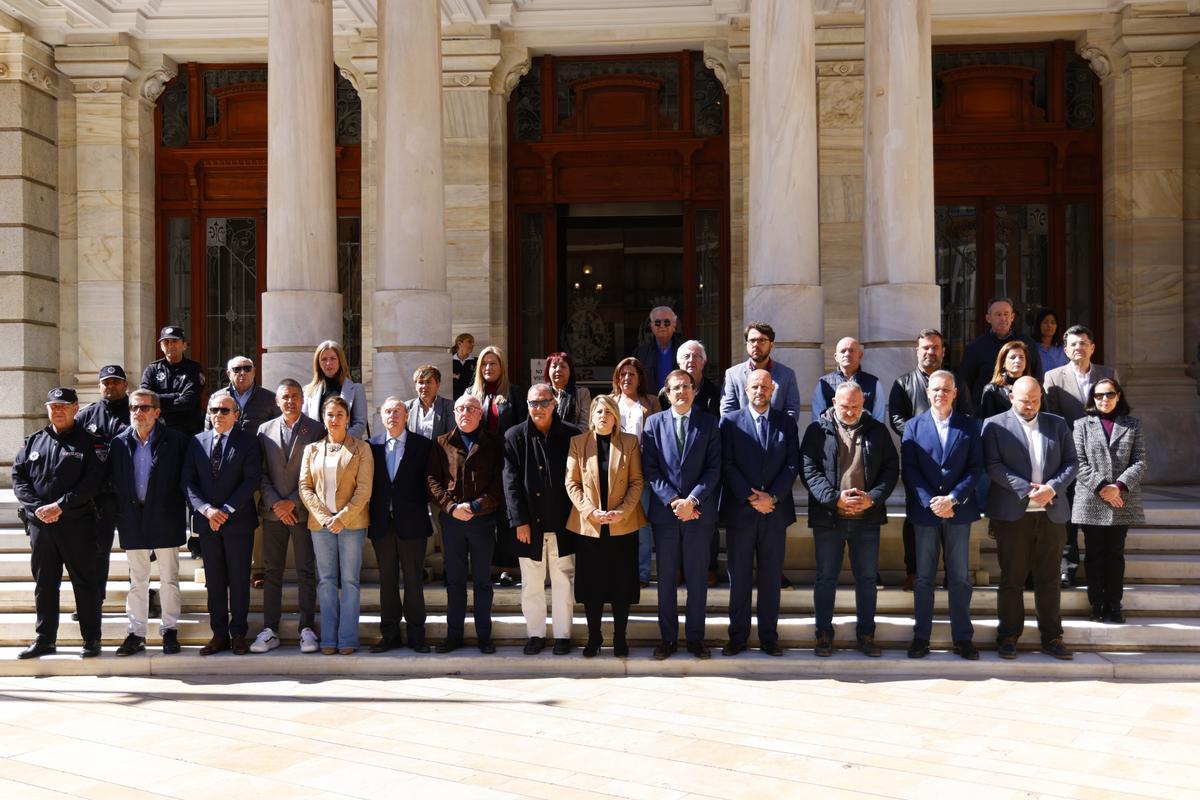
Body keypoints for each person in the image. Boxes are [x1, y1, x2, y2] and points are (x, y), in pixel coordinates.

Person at [801, 382, 899, 658]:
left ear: (863, 404)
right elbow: (809, 470)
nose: (850, 411)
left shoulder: (877, 431)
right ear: (833, 402)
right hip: (829, 516)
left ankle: (866, 633)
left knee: (867, 579)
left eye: (856, 406)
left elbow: (891, 470)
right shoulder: (816, 431)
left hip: (866, 518)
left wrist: (872, 498)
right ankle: (823, 633)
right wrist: (834, 499)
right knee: (825, 578)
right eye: (845, 406)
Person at [983, 376, 1078, 660]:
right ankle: (1009, 635)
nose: (1030, 405)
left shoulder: (1056, 423)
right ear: (1012, 397)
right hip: (1013, 514)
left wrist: (1052, 488)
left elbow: (1072, 462)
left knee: (1049, 579)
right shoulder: (995, 425)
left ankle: (1052, 637)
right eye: (1025, 400)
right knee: (1012, 578)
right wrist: (1026, 490)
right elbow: (992, 465)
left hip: (1052, 512)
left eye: (1036, 400)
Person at [12, 388, 105, 659]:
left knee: (85, 583)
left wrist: (61, 505)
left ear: (76, 408)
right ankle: (44, 639)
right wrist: (38, 508)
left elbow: (93, 481)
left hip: (76, 523)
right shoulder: (33, 442)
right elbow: (19, 479)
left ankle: (91, 640)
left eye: (64, 405)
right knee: (45, 583)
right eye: (53, 406)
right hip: (41, 526)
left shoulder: (90, 442)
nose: (58, 410)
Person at [900, 371, 986, 660]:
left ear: (955, 393)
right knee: (924, 578)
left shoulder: (969, 426)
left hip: (958, 511)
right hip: (926, 513)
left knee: (960, 577)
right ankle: (920, 637)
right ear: (928, 393)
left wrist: (953, 499)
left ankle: (963, 638)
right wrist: (931, 502)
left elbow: (976, 468)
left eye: (946, 389)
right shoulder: (913, 426)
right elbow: (909, 470)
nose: (940, 394)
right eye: (935, 389)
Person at [718, 369, 800, 657]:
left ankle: (768, 637)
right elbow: (726, 465)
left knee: (770, 578)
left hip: (775, 513)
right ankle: (737, 637)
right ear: (745, 390)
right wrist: (752, 497)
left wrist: (773, 497)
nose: (760, 390)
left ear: (773, 389)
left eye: (765, 386)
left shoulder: (786, 423)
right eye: (754, 386)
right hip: (742, 512)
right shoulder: (730, 422)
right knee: (738, 579)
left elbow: (792, 465)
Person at [641, 369, 722, 660]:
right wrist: (675, 501)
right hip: (666, 515)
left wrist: (692, 500)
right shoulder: (653, 424)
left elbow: (714, 468)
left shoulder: (709, 423)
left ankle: (696, 639)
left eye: (687, 387)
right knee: (665, 580)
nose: (682, 392)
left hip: (698, 514)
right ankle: (668, 639)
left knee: (698, 579)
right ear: (667, 392)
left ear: (694, 391)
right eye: (676, 388)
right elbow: (650, 468)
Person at [887, 329, 973, 590]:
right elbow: (896, 418)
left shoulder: (955, 382)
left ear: (943, 351)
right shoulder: (903, 383)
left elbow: (968, 415)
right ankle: (913, 570)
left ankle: (951, 572)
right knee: (916, 518)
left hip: (954, 464)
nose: (930, 352)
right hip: (920, 461)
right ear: (917, 351)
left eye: (935, 347)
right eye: (925, 347)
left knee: (953, 519)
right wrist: (923, 435)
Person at [106, 389, 189, 656]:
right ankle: (136, 633)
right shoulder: (119, 443)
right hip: (132, 518)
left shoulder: (175, 441)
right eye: (133, 408)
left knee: (169, 579)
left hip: (166, 517)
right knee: (137, 580)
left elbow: (185, 482)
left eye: (143, 408)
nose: (138, 413)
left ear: (157, 411)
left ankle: (170, 630)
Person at [565, 395, 648, 657]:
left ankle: (620, 637)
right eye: (599, 411)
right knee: (593, 586)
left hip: (622, 525)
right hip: (590, 526)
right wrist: (590, 511)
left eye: (609, 412)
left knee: (621, 584)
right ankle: (594, 637)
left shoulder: (630, 442)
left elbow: (637, 481)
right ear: (591, 416)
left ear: (616, 417)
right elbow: (571, 483)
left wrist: (621, 512)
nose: (603, 416)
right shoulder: (578, 443)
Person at [503, 384, 581, 655]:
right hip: (529, 526)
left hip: (563, 523)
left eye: (544, 403)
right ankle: (535, 634)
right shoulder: (514, 436)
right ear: (527, 405)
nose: (538, 408)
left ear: (554, 404)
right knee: (532, 584)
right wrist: (518, 521)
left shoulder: (573, 435)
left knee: (563, 582)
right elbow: (510, 483)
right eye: (533, 403)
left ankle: (562, 636)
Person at [183, 389, 262, 655]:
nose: (218, 415)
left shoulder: (249, 442)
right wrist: (206, 511)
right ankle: (218, 635)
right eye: (214, 410)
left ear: (236, 415)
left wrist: (225, 510)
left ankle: (238, 634)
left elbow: (251, 480)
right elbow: (188, 481)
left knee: (239, 580)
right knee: (214, 582)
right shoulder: (197, 442)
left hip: (237, 522)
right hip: (208, 523)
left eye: (224, 410)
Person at [251, 379, 324, 654]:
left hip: (303, 512)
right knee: (272, 572)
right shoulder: (264, 430)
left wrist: (292, 503)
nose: (290, 401)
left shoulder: (316, 429)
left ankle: (307, 628)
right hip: (273, 515)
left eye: (295, 396)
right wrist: (276, 504)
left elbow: (317, 473)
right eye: (285, 397)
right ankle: (271, 629)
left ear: (302, 400)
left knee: (306, 571)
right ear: (277, 401)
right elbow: (261, 473)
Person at [427, 394, 504, 654]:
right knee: (455, 581)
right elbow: (432, 481)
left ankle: (484, 636)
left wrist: (475, 506)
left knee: (483, 581)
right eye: (460, 408)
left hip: (482, 521)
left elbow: (498, 483)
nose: (465, 413)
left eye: (471, 408)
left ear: (480, 413)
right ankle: (454, 635)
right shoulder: (441, 443)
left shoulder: (493, 443)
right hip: (451, 523)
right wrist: (450, 507)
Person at [1044, 324, 1119, 586]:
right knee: (1068, 515)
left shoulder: (1108, 374)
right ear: (1066, 350)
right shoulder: (1053, 377)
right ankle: (1067, 566)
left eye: (1083, 343)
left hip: (1100, 459)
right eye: (1073, 344)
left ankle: (1097, 568)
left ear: (1092, 347)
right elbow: (1052, 418)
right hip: (1067, 457)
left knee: (1095, 514)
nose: (1079, 348)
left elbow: (1115, 414)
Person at [299, 396, 374, 655]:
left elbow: (364, 489)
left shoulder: (361, 449)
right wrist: (325, 517)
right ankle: (329, 639)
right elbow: (305, 487)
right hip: (321, 526)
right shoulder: (312, 449)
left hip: (351, 524)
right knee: (326, 581)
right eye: (330, 414)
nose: (334, 419)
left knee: (350, 581)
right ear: (323, 418)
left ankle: (348, 639)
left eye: (340, 414)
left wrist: (342, 517)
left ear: (348, 418)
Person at [1072, 378, 1147, 624]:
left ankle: (1114, 605)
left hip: (1121, 499)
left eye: (1109, 394)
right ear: (1092, 398)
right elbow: (1078, 461)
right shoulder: (1081, 424)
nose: (1104, 399)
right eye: (1099, 395)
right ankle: (1097, 604)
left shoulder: (1132, 425)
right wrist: (1103, 487)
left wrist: (1119, 487)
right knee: (1094, 554)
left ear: (1118, 396)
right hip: (1092, 497)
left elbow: (1139, 461)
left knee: (1115, 553)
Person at [367, 397, 434, 653]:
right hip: (382, 524)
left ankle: (417, 635)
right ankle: (390, 634)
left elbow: (430, 482)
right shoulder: (371, 446)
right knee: (387, 580)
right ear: (381, 417)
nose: (392, 415)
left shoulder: (423, 445)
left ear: (406, 415)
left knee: (414, 580)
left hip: (413, 523)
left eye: (397, 411)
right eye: (387, 411)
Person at [211, 356, 281, 590]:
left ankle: (258, 569)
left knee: (257, 519)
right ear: (228, 373)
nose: (242, 372)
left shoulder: (268, 398)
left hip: (257, 467)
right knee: (224, 516)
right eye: (237, 369)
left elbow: (276, 433)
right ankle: (225, 567)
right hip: (224, 469)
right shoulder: (217, 398)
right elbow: (207, 432)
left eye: (247, 368)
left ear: (254, 372)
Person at [661, 339, 722, 585]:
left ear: (704, 362)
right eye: (686, 357)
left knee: (708, 522)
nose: (691, 361)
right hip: (675, 473)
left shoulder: (715, 392)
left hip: (705, 463)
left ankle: (709, 566)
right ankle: (677, 567)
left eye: (696, 356)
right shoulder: (665, 393)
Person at [75, 364, 130, 621]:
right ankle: (94, 600)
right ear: (99, 386)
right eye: (106, 382)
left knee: (139, 551)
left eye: (116, 382)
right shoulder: (87, 415)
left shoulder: (136, 410)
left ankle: (141, 600)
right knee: (98, 550)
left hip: (131, 492)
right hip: (99, 495)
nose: (111, 386)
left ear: (125, 385)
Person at [467, 344, 525, 587]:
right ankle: (484, 564)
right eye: (485, 364)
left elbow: (522, 430)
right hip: (479, 464)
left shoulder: (514, 394)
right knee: (482, 515)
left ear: (502, 367)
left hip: (506, 463)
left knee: (506, 514)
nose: (488, 368)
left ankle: (508, 566)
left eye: (493, 363)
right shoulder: (471, 394)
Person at [612, 356, 659, 586]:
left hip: (642, 473)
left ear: (640, 379)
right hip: (613, 474)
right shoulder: (609, 401)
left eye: (631, 374)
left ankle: (641, 574)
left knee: (641, 524)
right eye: (623, 374)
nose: (627, 378)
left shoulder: (651, 402)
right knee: (616, 522)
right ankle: (618, 571)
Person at [405, 364, 455, 580]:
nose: (424, 386)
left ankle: (449, 568)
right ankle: (420, 569)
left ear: (438, 385)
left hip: (440, 475)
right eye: (420, 382)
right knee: (416, 523)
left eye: (428, 382)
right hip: (414, 475)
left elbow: (452, 442)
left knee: (443, 522)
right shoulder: (406, 408)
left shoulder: (448, 407)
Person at [958, 297, 1044, 408]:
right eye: (998, 314)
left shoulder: (1027, 344)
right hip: (985, 412)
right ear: (988, 318)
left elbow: (1037, 377)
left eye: (1006, 314)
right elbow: (965, 383)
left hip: (1024, 410)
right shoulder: (975, 347)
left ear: (1012, 317)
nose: (1003, 318)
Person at [720, 322, 801, 420]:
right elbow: (727, 411)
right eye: (752, 340)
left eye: (761, 340)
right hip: (741, 434)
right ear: (746, 344)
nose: (756, 345)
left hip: (776, 433)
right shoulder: (733, 375)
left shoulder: (787, 375)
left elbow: (792, 411)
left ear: (771, 344)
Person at [141, 325, 205, 435]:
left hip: (187, 431)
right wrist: (176, 396)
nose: (170, 345)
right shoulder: (152, 369)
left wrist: (158, 401)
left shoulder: (194, 369)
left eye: (174, 341)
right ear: (161, 346)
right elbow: (145, 399)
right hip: (158, 431)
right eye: (166, 342)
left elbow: (188, 401)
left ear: (184, 345)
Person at [302, 339, 368, 439]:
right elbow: (305, 422)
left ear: (340, 361)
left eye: (333, 358)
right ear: (318, 363)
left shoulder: (356, 389)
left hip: (346, 449)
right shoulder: (309, 391)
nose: (328, 363)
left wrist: (339, 441)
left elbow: (360, 424)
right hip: (318, 448)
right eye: (324, 359)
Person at [811, 337, 886, 422]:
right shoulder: (824, 384)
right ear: (836, 357)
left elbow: (879, 420)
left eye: (851, 350)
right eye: (843, 351)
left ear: (860, 355)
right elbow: (818, 420)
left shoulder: (874, 383)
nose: (847, 354)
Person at [632, 305, 685, 393]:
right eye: (657, 322)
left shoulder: (684, 351)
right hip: (650, 404)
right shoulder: (641, 353)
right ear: (651, 326)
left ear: (674, 325)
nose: (662, 326)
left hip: (679, 402)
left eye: (667, 322)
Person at [978, 340, 1035, 420]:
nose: (1018, 360)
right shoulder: (991, 390)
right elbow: (989, 422)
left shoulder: (1035, 387)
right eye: (1012, 357)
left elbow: (1043, 417)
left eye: (1021, 357)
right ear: (1003, 363)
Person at [546, 351, 592, 427]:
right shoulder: (542, 394)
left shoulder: (582, 393)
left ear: (570, 371)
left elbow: (585, 426)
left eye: (563, 366)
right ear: (547, 371)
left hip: (575, 438)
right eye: (554, 366)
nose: (558, 369)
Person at [1035, 308, 1070, 373]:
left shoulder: (1063, 348)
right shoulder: (1032, 347)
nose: (1049, 325)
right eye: (1045, 322)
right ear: (1039, 325)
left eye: (1053, 322)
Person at [451, 332, 477, 399]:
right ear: (459, 343)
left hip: (471, 398)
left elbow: (475, 380)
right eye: (469, 341)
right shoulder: (449, 361)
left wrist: (457, 376)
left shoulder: (476, 361)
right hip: (451, 399)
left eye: (473, 342)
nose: (472, 344)